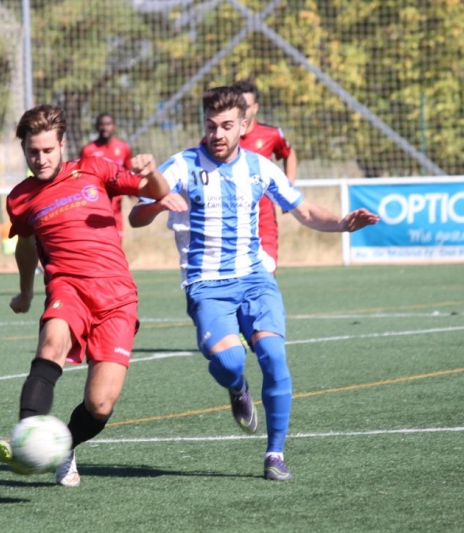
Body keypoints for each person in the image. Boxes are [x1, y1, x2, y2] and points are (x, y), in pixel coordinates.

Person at [128, 87, 379, 481]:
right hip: (206, 285)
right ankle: (237, 387)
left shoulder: (261, 167)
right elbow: (135, 216)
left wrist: (343, 224)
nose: (218, 134)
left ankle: (275, 454)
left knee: (275, 359)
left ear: (244, 125)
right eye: (211, 125)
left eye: (227, 126)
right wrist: (159, 202)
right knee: (229, 362)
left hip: (255, 279)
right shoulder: (182, 165)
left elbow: (306, 210)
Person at [0, 104, 170, 487]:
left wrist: (151, 171)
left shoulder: (94, 168)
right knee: (51, 344)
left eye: (47, 151)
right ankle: (26, 437)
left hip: (117, 296)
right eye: (32, 152)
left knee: (100, 405)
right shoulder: (20, 198)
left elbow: (157, 191)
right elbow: (25, 244)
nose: (40, 159)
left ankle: (63, 445)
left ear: (62, 144)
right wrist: (25, 292)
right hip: (67, 287)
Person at [231, 80, 297, 268]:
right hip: (230, 220)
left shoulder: (271, 134)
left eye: (247, 106)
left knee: (266, 275)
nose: (243, 111)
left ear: (256, 107)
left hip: (263, 220)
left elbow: (289, 154)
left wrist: (287, 191)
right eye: (238, 106)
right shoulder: (221, 139)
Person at [80, 113, 133, 241]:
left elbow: (128, 171)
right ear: (97, 127)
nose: (105, 127)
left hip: (116, 204)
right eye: (101, 124)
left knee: (117, 239)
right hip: (95, 201)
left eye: (108, 124)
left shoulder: (123, 148)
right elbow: (81, 177)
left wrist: (133, 192)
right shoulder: (88, 150)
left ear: (114, 126)